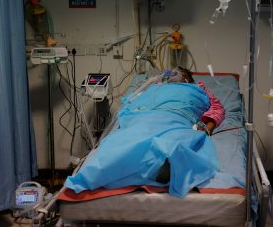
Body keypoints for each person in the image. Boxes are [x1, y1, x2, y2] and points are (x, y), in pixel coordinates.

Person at [65, 68, 225, 198]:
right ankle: (156, 164)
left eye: (180, 72)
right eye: (172, 71)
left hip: (176, 115)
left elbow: (217, 109)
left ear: (188, 79)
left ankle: (162, 163)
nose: (174, 73)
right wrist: (148, 92)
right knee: (128, 137)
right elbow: (129, 100)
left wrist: (208, 127)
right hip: (143, 115)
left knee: (174, 135)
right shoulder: (153, 87)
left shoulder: (198, 89)